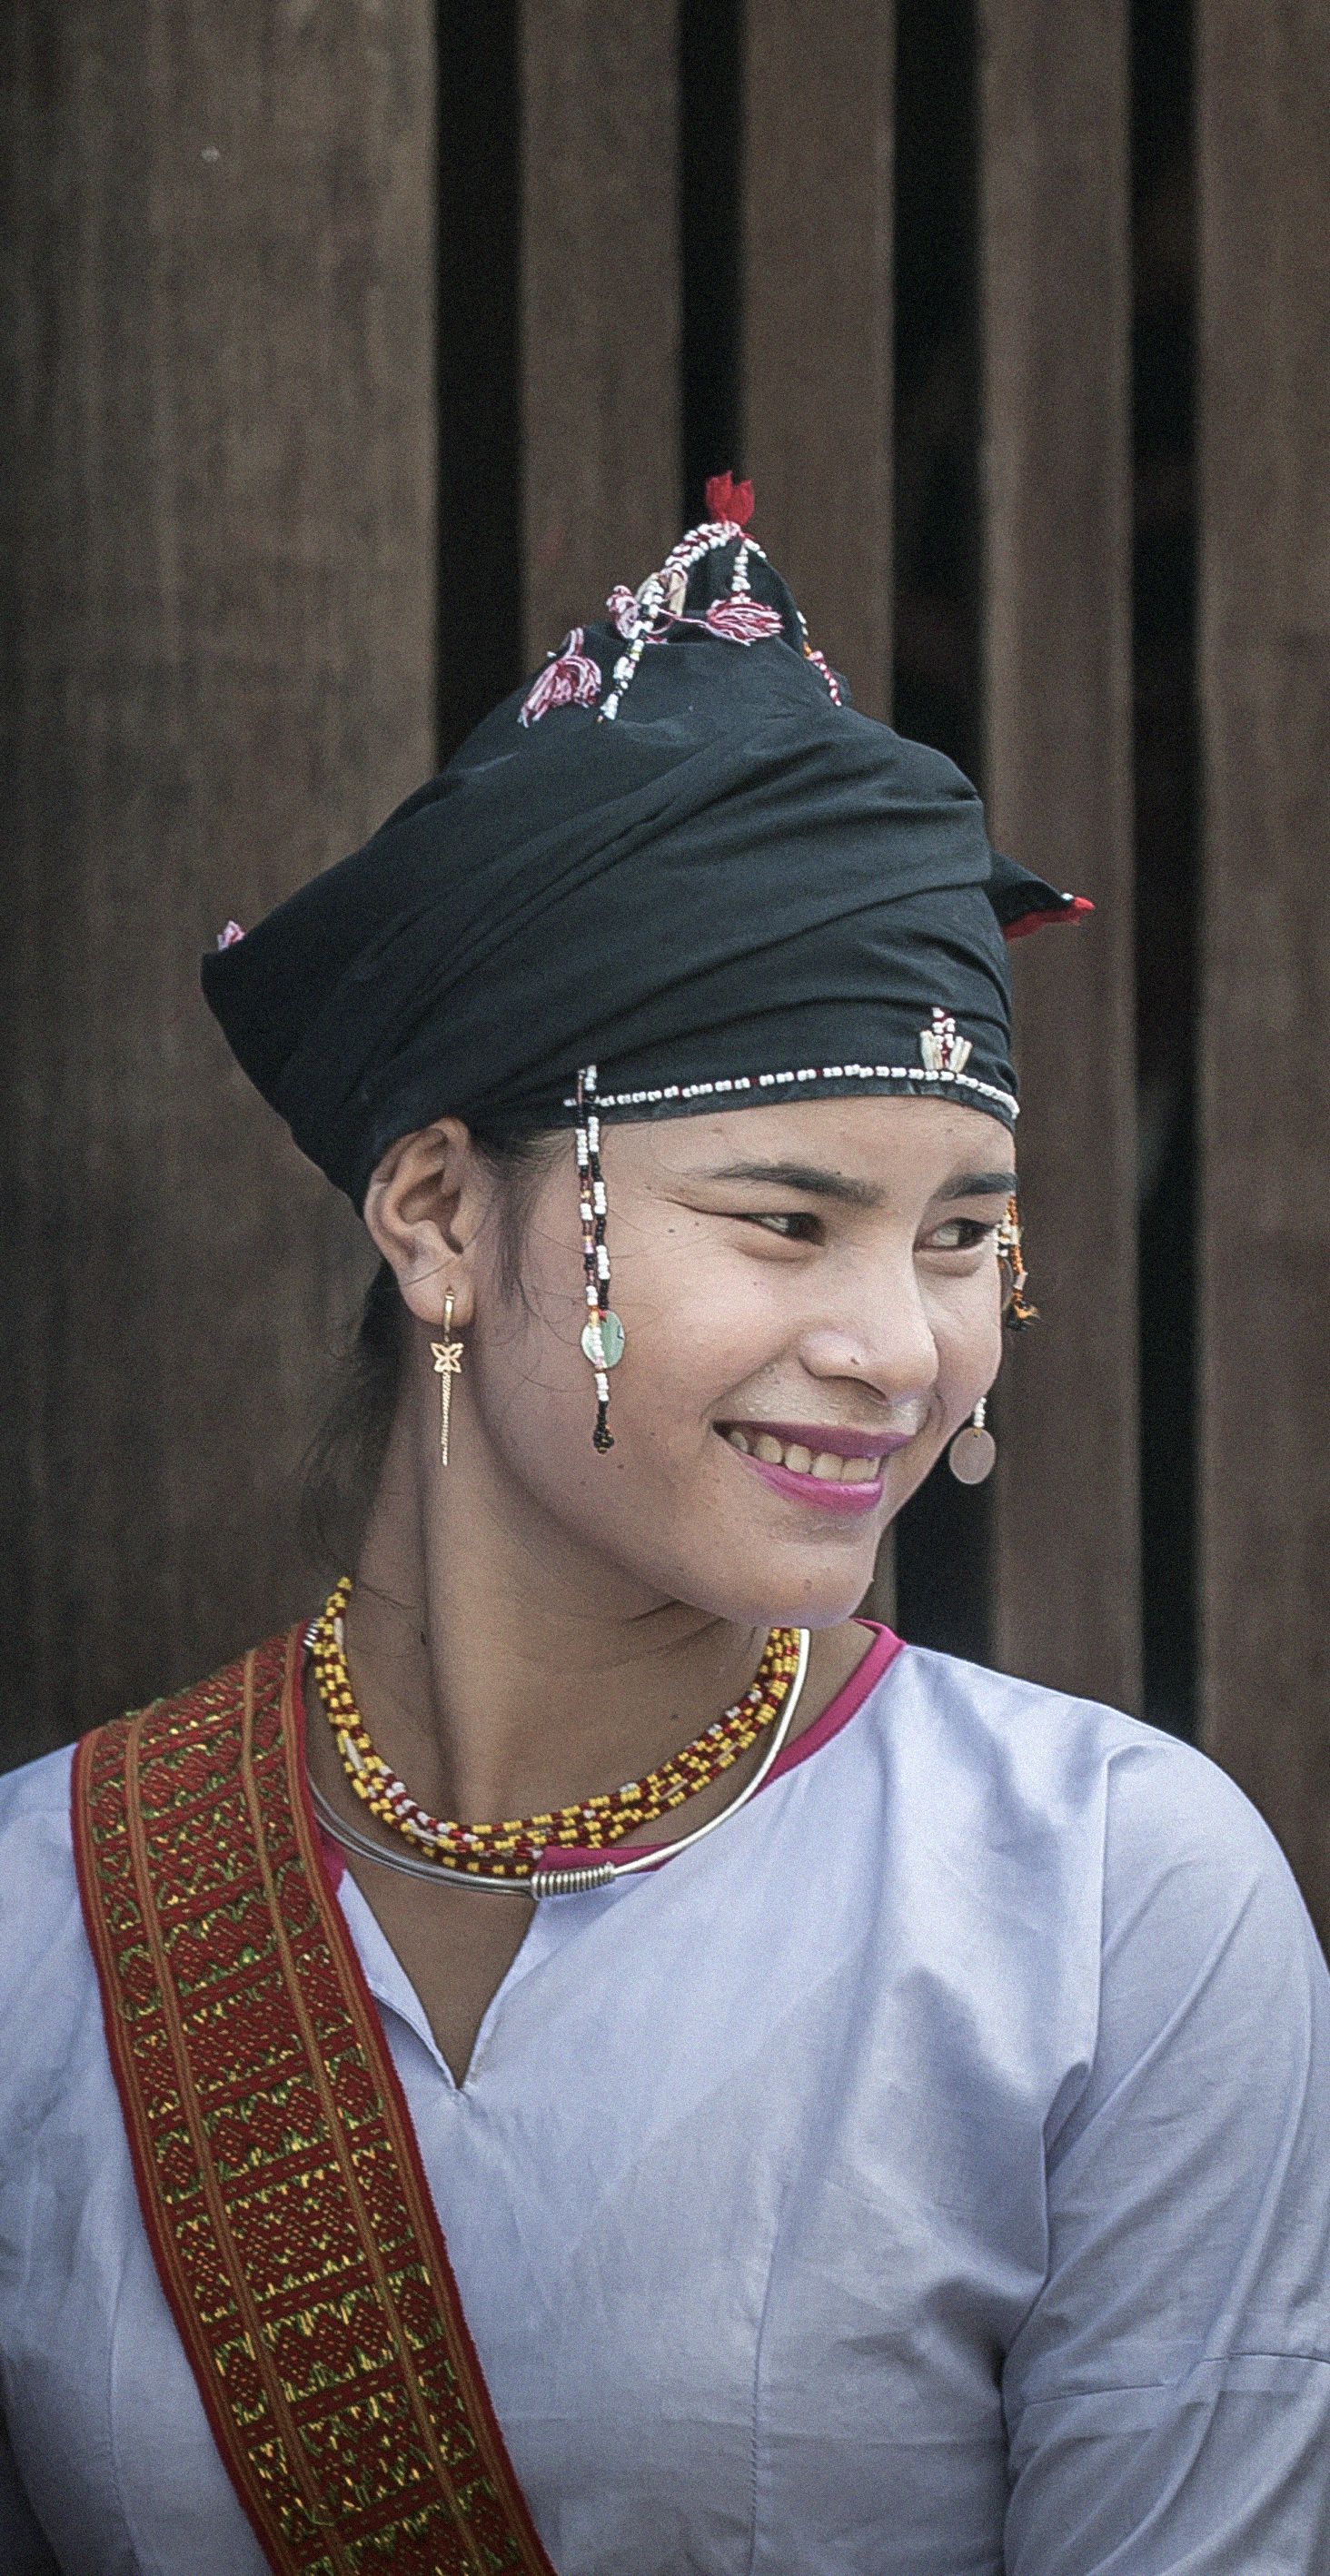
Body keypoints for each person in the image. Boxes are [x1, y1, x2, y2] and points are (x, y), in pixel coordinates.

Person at [2, 477, 1327, 2576]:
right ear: (441, 1216)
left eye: (961, 1235)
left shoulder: (1109, 1910)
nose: (902, 1347)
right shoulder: (47, 1918)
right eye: (788, 1217)